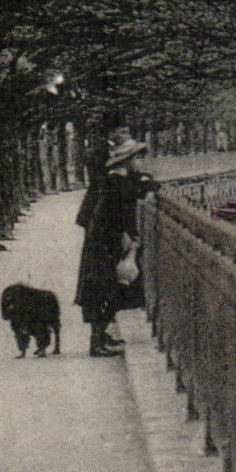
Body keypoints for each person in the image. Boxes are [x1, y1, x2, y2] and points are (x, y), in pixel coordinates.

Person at [74, 137, 157, 356]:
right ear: (127, 160)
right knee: (105, 288)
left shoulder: (118, 180)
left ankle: (101, 337)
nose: (140, 162)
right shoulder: (116, 182)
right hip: (105, 243)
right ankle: (97, 342)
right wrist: (130, 237)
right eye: (137, 157)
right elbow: (120, 213)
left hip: (104, 241)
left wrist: (147, 181)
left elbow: (141, 184)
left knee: (107, 288)